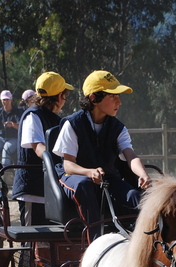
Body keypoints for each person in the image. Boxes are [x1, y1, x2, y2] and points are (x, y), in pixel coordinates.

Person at [53, 70, 150, 240]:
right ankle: (95, 245)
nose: (119, 101)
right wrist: (89, 172)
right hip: (74, 176)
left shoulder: (118, 127)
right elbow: (68, 165)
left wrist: (142, 174)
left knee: (136, 197)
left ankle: (140, 245)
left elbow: (131, 156)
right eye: (113, 96)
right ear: (93, 98)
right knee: (85, 185)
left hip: (106, 178)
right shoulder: (73, 124)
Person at [13, 72, 72, 225]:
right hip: (33, 191)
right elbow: (38, 148)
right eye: (65, 96)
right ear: (59, 97)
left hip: (52, 190)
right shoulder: (32, 116)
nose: (64, 101)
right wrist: (65, 159)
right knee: (33, 244)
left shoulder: (57, 119)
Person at [0, 90, 21, 167]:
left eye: (7, 99)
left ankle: (6, 172)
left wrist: (13, 125)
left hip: (14, 138)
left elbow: (21, 127)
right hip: (1, 137)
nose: (5, 101)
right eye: (4, 100)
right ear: (1, 100)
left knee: (6, 150)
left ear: (11, 100)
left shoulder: (17, 112)